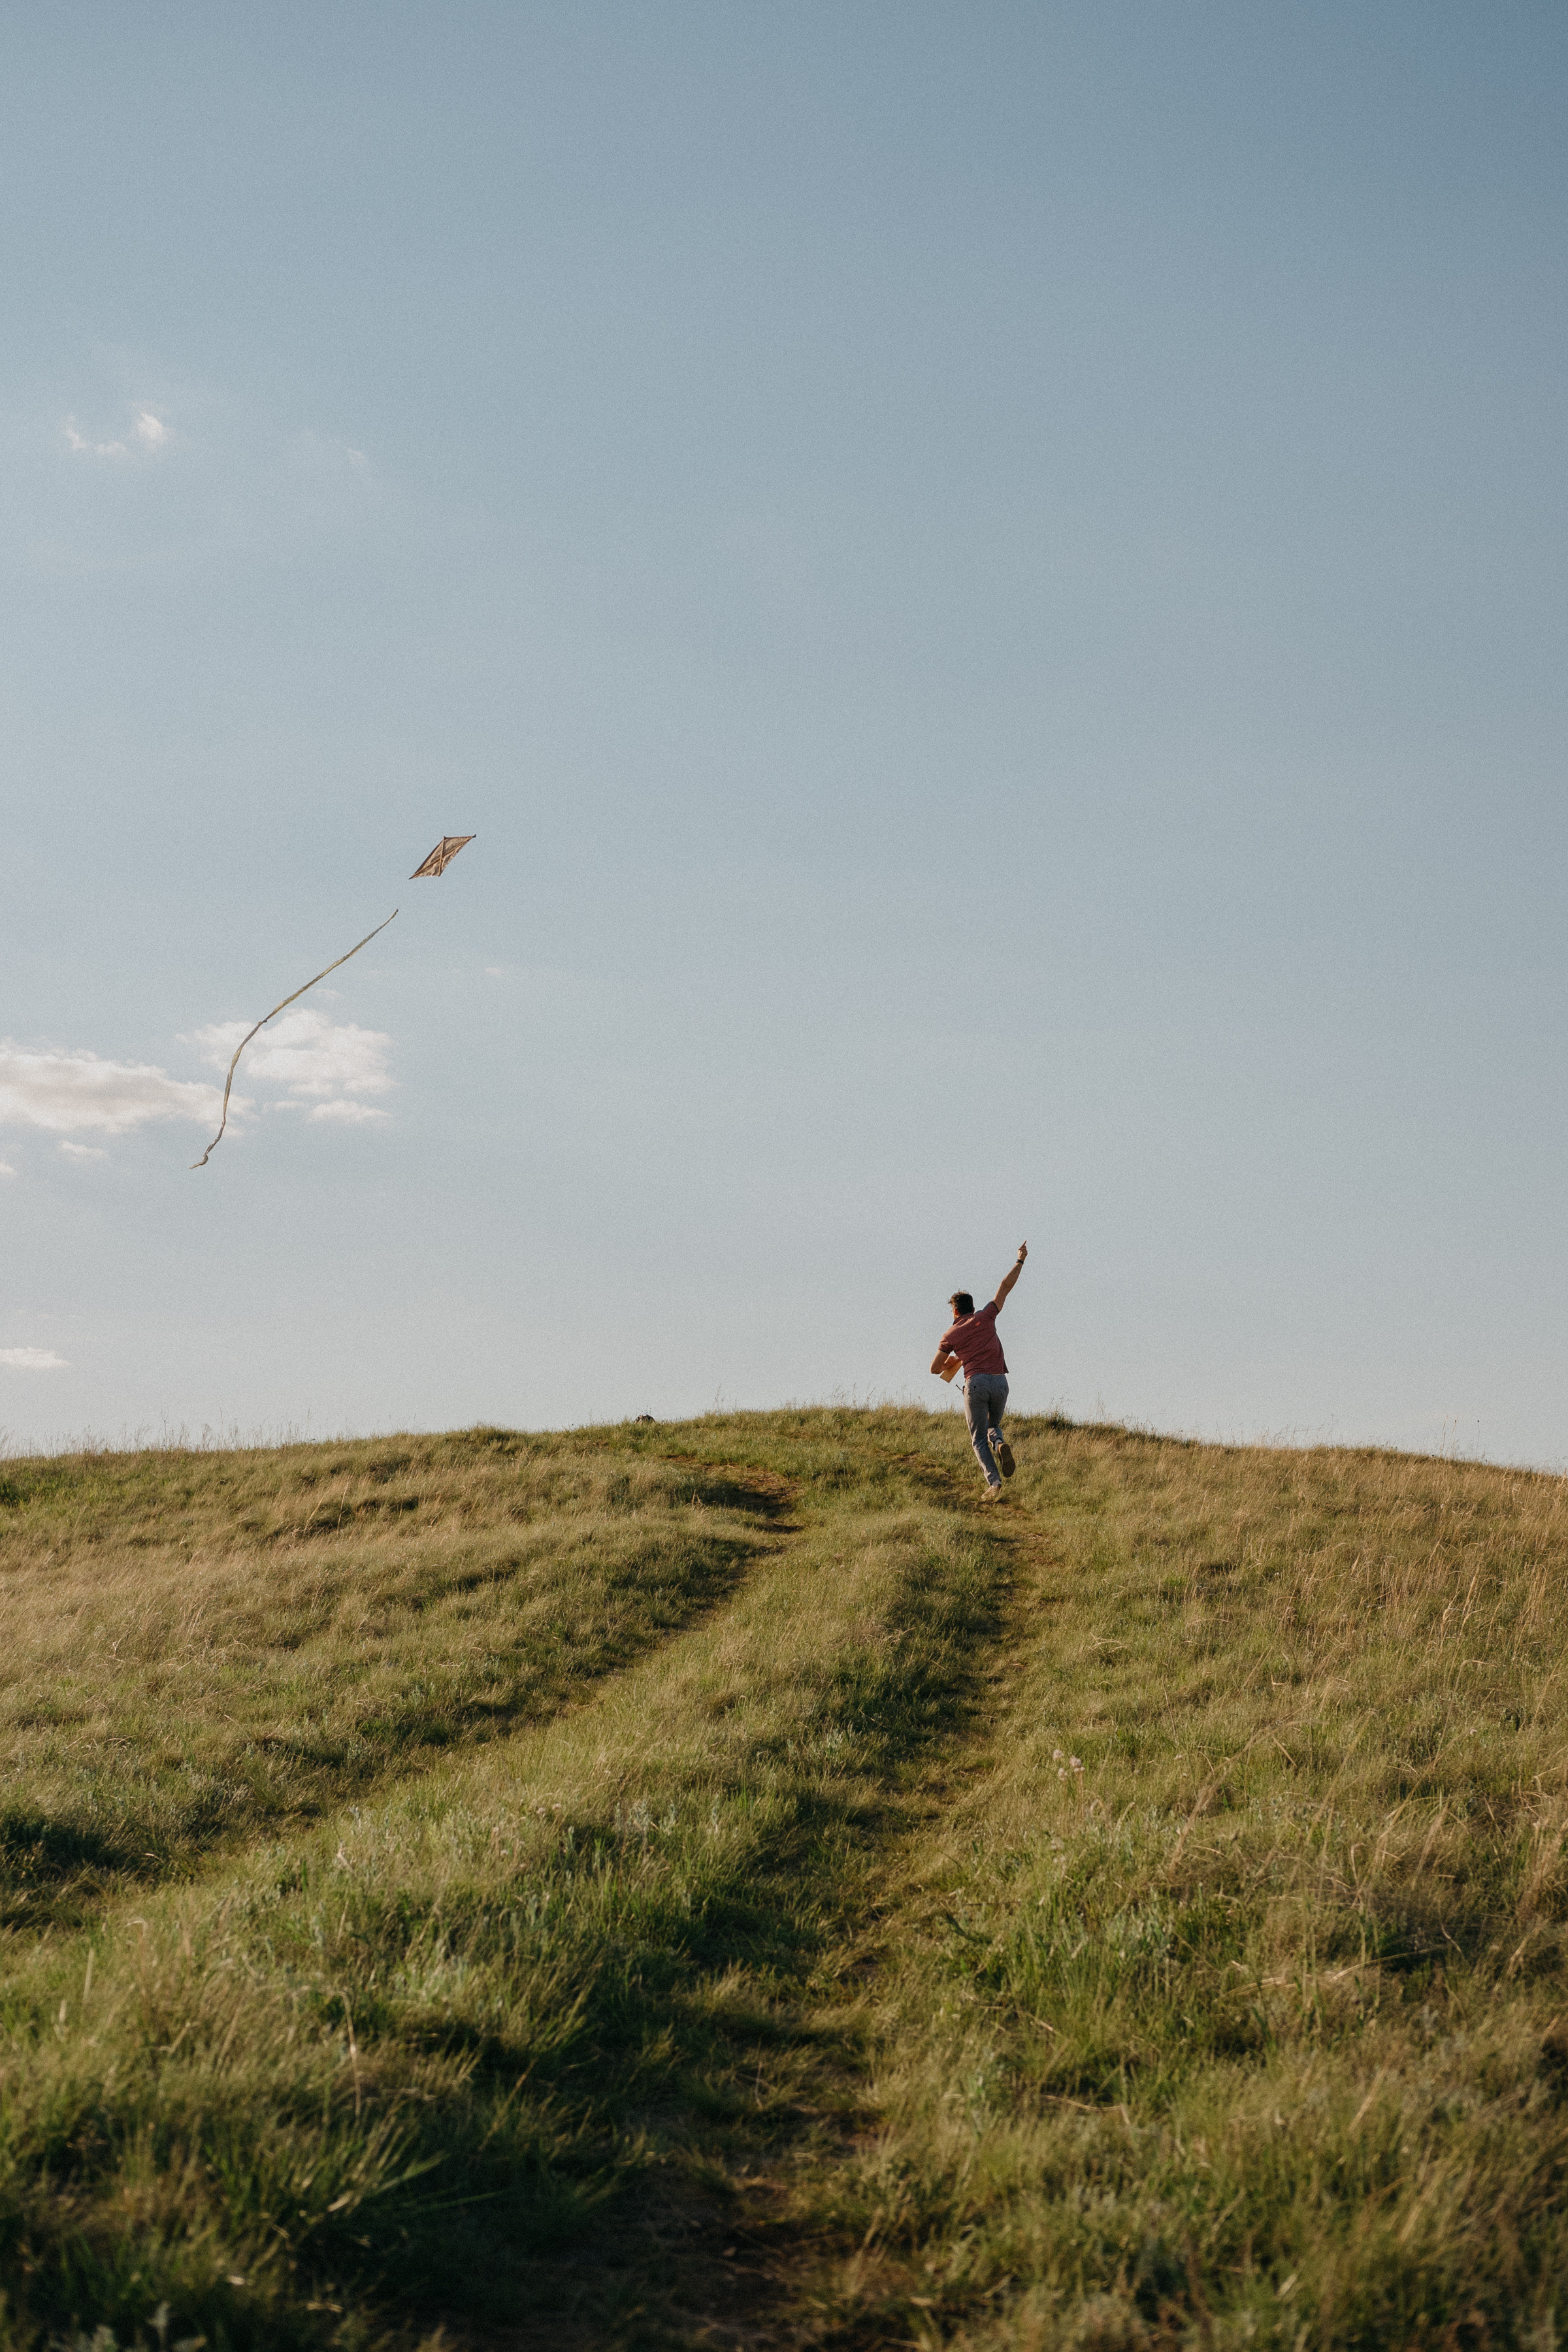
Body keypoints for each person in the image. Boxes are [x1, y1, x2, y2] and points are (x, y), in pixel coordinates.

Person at [931, 1243, 1028, 1498]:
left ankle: (994, 1485)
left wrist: (953, 1360)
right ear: (972, 1308)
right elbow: (1004, 1287)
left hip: (975, 1383)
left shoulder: (951, 1334)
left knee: (977, 1439)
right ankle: (999, 1443)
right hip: (1001, 1383)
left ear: (955, 1311)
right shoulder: (986, 1317)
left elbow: (934, 1368)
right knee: (992, 1425)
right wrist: (1020, 1260)